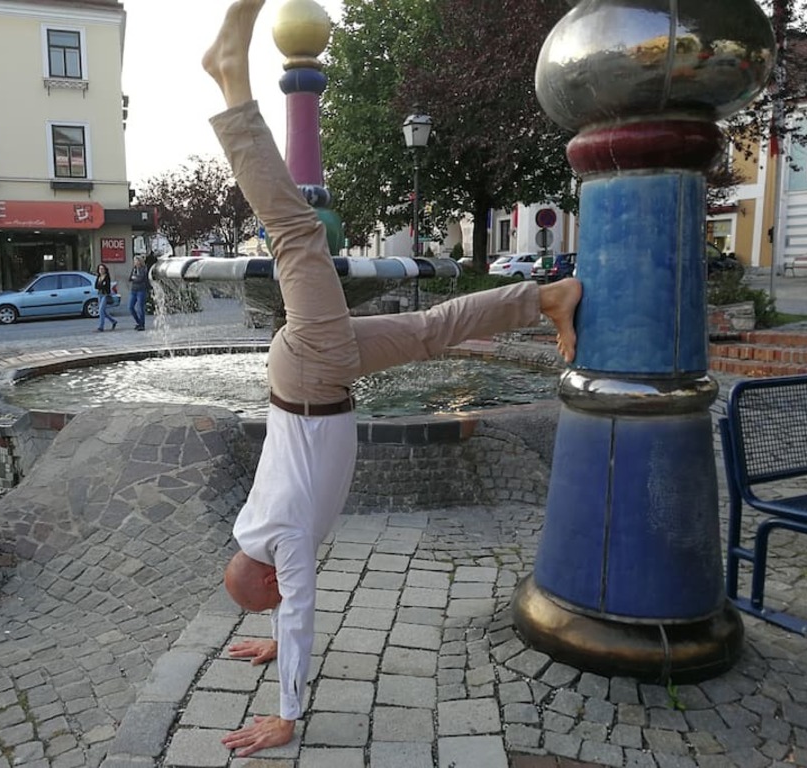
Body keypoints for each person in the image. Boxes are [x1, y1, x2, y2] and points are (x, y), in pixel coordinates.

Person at [203, 0, 582, 757]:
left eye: (269, 599)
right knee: (429, 330)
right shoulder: (256, 535)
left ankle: (230, 81)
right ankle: (547, 297)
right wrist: (271, 632)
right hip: (315, 374)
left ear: (271, 577)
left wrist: (287, 713)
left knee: (295, 230)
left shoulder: (285, 545)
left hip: (314, 373)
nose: (281, 596)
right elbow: (279, 597)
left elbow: (299, 608)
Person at [128, 255, 151, 330]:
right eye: (134, 261)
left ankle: (142, 324)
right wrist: (135, 278)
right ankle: (138, 321)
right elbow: (130, 278)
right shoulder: (134, 269)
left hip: (141, 290)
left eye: (137, 261)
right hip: (133, 290)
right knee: (130, 307)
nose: (135, 262)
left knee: (140, 308)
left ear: (140, 261)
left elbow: (140, 279)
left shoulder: (143, 269)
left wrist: (134, 278)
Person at [94, 263, 117, 332]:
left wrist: (101, 285)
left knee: (101, 310)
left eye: (102, 269)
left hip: (105, 295)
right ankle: (113, 321)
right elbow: (96, 286)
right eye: (100, 269)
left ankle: (101, 327)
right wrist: (101, 285)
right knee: (103, 311)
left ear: (105, 269)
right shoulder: (98, 277)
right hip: (100, 294)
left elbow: (107, 287)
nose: (101, 270)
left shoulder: (107, 277)